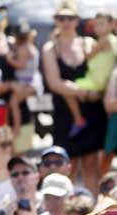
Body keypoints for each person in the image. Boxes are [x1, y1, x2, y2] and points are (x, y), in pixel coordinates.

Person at [41, 0, 107, 196]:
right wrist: (84, 92)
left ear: (77, 20)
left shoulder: (88, 43)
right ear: (56, 21)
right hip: (65, 116)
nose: (66, 22)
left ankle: (91, 214)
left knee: (91, 168)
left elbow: (100, 74)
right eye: (62, 18)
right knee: (65, 167)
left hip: (92, 114)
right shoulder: (50, 48)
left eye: (70, 18)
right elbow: (54, 83)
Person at [65, 11, 116, 137]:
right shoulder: (108, 40)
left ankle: (78, 120)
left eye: (102, 24)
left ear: (111, 25)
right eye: (96, 25)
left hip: (98, 82)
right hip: (99, 82)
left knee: (67, 89)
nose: (98, 28)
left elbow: (87, 56)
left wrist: (84, 45)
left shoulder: (106, 40)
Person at [7, 22, 41, 134]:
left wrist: (10, 60)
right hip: (32, 82)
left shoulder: (23, 48)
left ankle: (16, 128)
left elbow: (21, 65)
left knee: (13, 101)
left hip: (26, 83)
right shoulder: (31, 47)